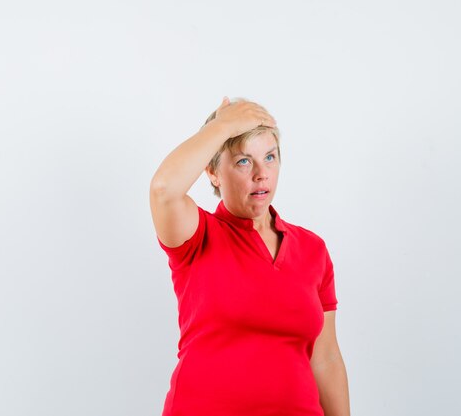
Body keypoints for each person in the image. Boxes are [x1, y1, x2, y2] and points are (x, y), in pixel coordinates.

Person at [149, 96, 350, 416]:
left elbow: (325, 358)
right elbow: (163, 189)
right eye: (244, 160)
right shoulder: (197, 235)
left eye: (270, 157)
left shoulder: (312, 249)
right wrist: (223, 124)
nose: (261, 173)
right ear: (213, 173)